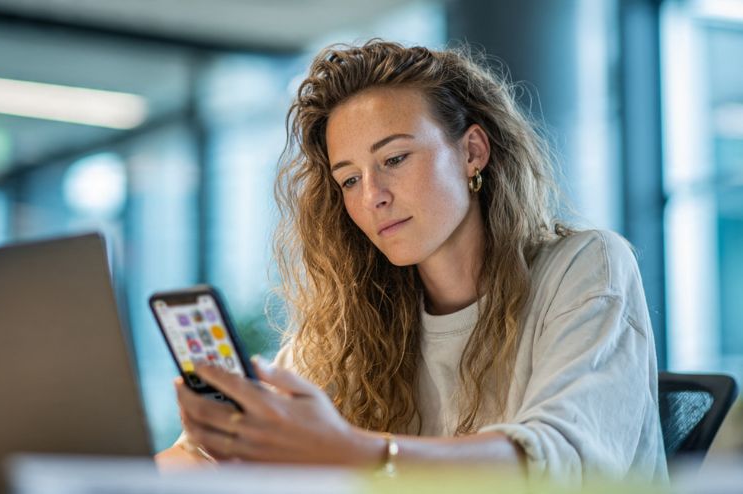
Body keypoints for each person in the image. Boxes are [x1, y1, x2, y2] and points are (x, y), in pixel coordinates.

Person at [156, 40, 668, 485]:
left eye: (394, 159)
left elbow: (562, 464)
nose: (372, 196)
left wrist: (354, 453)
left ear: (472, 152)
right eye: (349, 179)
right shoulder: (355, 315)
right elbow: (202, 458)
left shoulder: (586, 265)